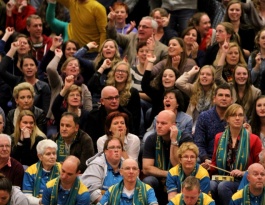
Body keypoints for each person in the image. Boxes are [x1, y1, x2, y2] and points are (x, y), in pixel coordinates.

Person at [202, 104, 262, 205]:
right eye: (234, 115)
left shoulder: (253, 139)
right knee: (210, 184)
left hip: (243, 180)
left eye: (240, 115)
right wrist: (208, 167)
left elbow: (260, 166)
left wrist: (243, 172)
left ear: (244, 118)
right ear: (227, 119)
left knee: (223, 186)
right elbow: (214, 163)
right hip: (222, 177)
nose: (237, 118)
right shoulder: (219, 137)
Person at [142, 110, 191, 204]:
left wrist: (174, 141)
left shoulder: (185, 139)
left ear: (174, 125)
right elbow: (146, 168)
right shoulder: (151, 139)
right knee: (148, 181)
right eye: (157, 122)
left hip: (179, 179)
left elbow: (178, 164)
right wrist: (168, 174)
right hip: (159, 179)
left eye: (163, 123)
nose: (159, 126)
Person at [0, 42, 51, 115]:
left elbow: (44, 112)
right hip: (16, 120)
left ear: (36, 68)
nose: (29, 67)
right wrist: (13, 49)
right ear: (21, 69)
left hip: (35, 121)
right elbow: (1, 70)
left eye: (32, 65)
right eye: (26, 65)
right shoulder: (16, 81)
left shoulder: (44, 86)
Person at [84, 86, 134, 151]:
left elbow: (131, 135)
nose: (114, 101)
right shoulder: (93, 116)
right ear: (102, 101)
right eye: (110, 98)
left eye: (116, 97)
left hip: (125, 148)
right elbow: (91, 141)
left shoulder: (126, 115)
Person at [194, 83, 233, 163]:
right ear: (214, 99)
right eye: (220, 95)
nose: (224, 98)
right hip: (208, 159)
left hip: (232, 160)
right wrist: (205, 159)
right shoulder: (204, 116)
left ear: (231, 100)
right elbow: (199, 143)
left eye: (227, 96)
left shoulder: (237, 116)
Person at [80, 137, 123, 204]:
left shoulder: (128, 166)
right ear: (105, 151)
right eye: (112, 147)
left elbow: (138, 189)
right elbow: (91, 191)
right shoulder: (96, 165)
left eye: (119, 147)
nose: (116, 150)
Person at [175, 65, 217, 132]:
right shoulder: (193, 89)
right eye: (202, 74)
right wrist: (191, 72)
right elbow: (178, 83)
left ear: (213, 78)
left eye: (208, 74)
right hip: (191, 126)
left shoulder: (217, 92)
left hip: (209, 126)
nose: (204, 76)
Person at [106, 61, 141, 135]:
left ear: (128, 75)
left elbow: (136, 118)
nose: (120, 73)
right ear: (114, 73)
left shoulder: (133, 92)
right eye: (118, 71)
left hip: (126, 128)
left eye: (123, 71)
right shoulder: (107, 89)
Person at [22, 139, 61, 205]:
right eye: (48, 154)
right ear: (40, 157)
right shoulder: (30, 171)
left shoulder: (62, 169)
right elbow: (26, 196)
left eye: (54, 153)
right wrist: (41, 202)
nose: (52, 157)